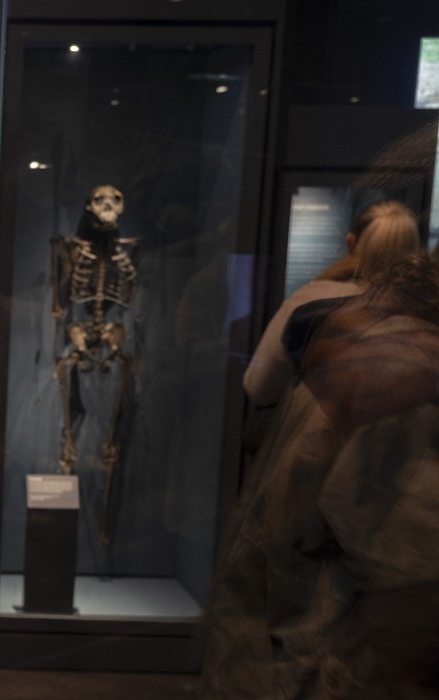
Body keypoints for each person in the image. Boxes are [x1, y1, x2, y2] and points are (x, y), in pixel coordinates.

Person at [201, 250, 439, 698]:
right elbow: (412, 612)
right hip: (317, 668)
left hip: (273, 654)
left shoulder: (363, 359)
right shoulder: (404, 388)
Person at [242, 200, 421, 406]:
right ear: (414, 251)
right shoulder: (423, 311)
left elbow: (258, 387)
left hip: (319, 437)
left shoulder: (310, 300)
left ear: (351, 242)